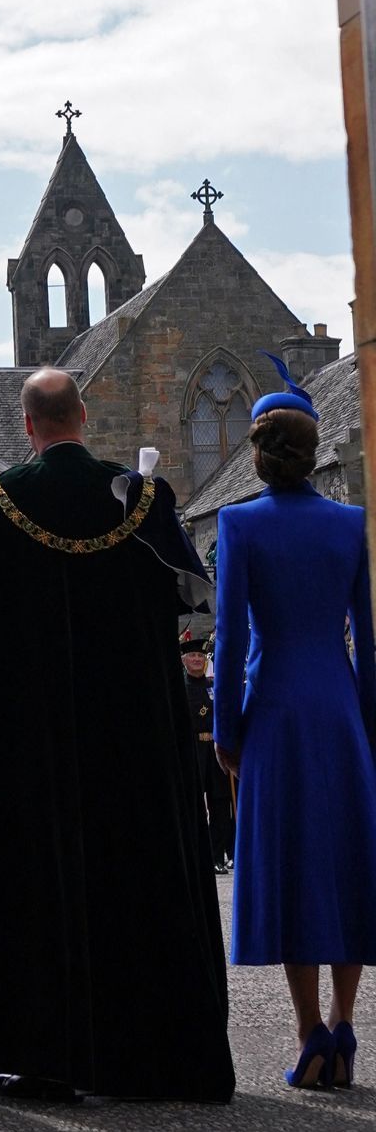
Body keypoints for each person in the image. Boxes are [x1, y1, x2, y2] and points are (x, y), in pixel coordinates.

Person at [0, 367, 234, 1103]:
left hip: (32, 737)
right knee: (136, 869)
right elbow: (187, 600)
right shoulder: (141, 498)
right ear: (84, 415)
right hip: (131, 731)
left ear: (28, 423)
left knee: (40, 879)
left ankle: (46, 1055)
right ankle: (156, 1051)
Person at [214, 358, 376, 1090]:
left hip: (274, 707)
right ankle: (345, 1024)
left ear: (257, 451)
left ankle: (309, 1030)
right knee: (347, 860)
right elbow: (366, 640)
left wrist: (226, 732)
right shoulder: (351, 522)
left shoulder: (239, 522)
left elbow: (228, 639)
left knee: (291, 866)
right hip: (339, 706)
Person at [180, 637, 233, 873]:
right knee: (193, 803)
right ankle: (194, 855)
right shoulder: (181, 687)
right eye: (192, 656)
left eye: (201, 656)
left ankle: (216, 856)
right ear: (183, 660)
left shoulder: (214, 685)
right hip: (193, 750)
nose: (197, 660)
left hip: (214, 750)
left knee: (220, 804)